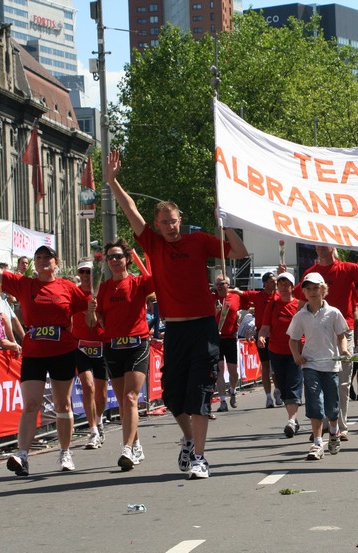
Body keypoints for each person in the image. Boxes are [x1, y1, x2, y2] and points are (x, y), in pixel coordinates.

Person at [105, 150, 248, 480]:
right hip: (175, 331)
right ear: (156, 225)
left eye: (173, 221)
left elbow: (239, 252)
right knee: (171, 395)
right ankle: (188, 439)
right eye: (164, 223)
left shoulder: (199, 241)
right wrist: (112, 182)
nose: (170, 227)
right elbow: (131, 209)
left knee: (199, 394)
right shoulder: (154, 244)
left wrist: (226, 222)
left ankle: (200, 457)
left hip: (203, 329)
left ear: (180, 220)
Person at [0, 242, 89, 475]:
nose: (43, 261)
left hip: (62, 351)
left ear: (56, 263)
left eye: (47, 257)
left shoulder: (67, 287)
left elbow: (90, 315)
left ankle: (65, 452)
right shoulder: (25, 284)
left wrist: (93, 311)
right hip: (34, 353)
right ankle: (23, 455)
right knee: (31, 404)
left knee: (63, 404)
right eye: (39, 257)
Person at [89, 239, 155, 471]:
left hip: (137, 344)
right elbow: (96, 319)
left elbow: (158, 281)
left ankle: (126, 448)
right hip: (113, 347)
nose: (115, 260)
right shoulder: (103, 288)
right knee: (123, 404)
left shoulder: (138, 282)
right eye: (110, 257)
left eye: (119, 256)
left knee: (130, 398)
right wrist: (94, 314)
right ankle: (136, 444)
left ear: (127, 259)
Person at [294, 246, 358, 441]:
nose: (321, 247)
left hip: (342, 331)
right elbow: (301, 305)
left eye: (325, 243)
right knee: (318, 383)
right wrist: (299, 335)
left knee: (342, 382)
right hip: (318, 333)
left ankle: (340, 425)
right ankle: (323, 424)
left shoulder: (349, 268)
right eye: (317, 243)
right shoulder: (309, 273)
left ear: (333, 245)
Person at [288, 273, 349, 460]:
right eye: (308, 289)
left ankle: (334, 431)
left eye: (316, 288)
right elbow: (293, 339)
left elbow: (341, 335)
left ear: (323, 290)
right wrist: (297, 355)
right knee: (315, 403)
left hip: (330, 365)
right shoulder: (300, 316)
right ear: (304, 293)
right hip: (310, 365)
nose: (312, 292)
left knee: (332, 407)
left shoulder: (334, 313)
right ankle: (317, 442)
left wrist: (344, 350)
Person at [69, 259, 110, 450]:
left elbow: (98, 322)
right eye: (82, 272)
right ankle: (92, 430)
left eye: (89, 272)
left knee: (101, 392)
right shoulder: (74, 293)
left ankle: (99, 421)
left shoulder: (102, 292)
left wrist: (96, 314)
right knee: (88, 385)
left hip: (101, 344)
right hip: (80, 345)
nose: (85, 275)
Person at [258, 272, 302, 438]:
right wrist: (261, 337)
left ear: (292, 287)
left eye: (286, 284)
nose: (283, 287)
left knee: (293, 385)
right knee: (283, 387)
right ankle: (293, 420)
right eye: (280, 284)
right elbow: (265, 327)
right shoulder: (272, 305)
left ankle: (291, 421)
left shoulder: (299, 305)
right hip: (276, 351)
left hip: (295, 352)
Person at [233, 272, 281, 408]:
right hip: (262, 335)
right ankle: (268, 397)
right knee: (265, 365)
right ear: (264, 283)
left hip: (276, 335)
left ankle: (278, 391)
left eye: (275, 281)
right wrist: (225, 289)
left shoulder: (279, 296)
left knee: (276, 366)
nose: (274, 283)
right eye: (271, 281)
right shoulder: (257, 295)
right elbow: (239, 292)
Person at [213, 274, 242, 412]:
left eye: (221, 283)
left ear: (228, 285)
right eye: (217, 284)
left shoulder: (235, 297)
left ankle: (233, 389)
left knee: (233, 372)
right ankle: (223, 401)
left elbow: (248, 299)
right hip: (216, 338)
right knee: (219, 369)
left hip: (230, 338)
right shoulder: (212, 298)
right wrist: (215, 311)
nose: (219, 286)